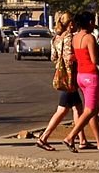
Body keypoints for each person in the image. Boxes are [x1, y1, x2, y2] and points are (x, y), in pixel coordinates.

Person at [36, 12, 93, 151]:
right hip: (69, 76)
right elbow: (68, 58)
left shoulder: (56, 38)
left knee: (78, 108)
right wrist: (80, 56)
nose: (74, 25)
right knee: (62, 110)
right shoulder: (68, 37)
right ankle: (43, 137)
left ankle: (82, 140)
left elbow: (53, 57)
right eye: (73, 22)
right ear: (70, 24)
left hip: (62, 75)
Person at [63, 11, 99, 152]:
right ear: (90, 23)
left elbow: (77, 56)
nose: (94, 25)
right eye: (93, 22)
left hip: (81, 76)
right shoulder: (89, 38)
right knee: (90, 110)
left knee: (93, 110)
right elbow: (94, 60)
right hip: (91, 76)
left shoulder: (75, 38)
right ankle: (70, 137)